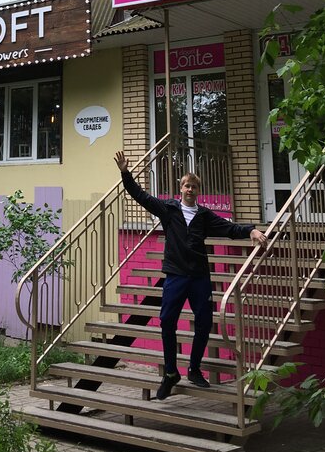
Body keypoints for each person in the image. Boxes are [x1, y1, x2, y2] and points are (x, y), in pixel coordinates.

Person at [114, 149, 268, 401]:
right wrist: (125, 173)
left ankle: (194, 369)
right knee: (167, 321)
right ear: (181, 188)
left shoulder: (204, 215)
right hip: (175, 275)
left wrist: (250, 230)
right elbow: (140, 195)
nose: (190, 190)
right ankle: (171, 373)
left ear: (198, 191)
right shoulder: (168, 209)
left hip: (199, 277)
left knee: (204, 322)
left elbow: (228, 228)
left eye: (194, 187)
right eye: (186, 186)